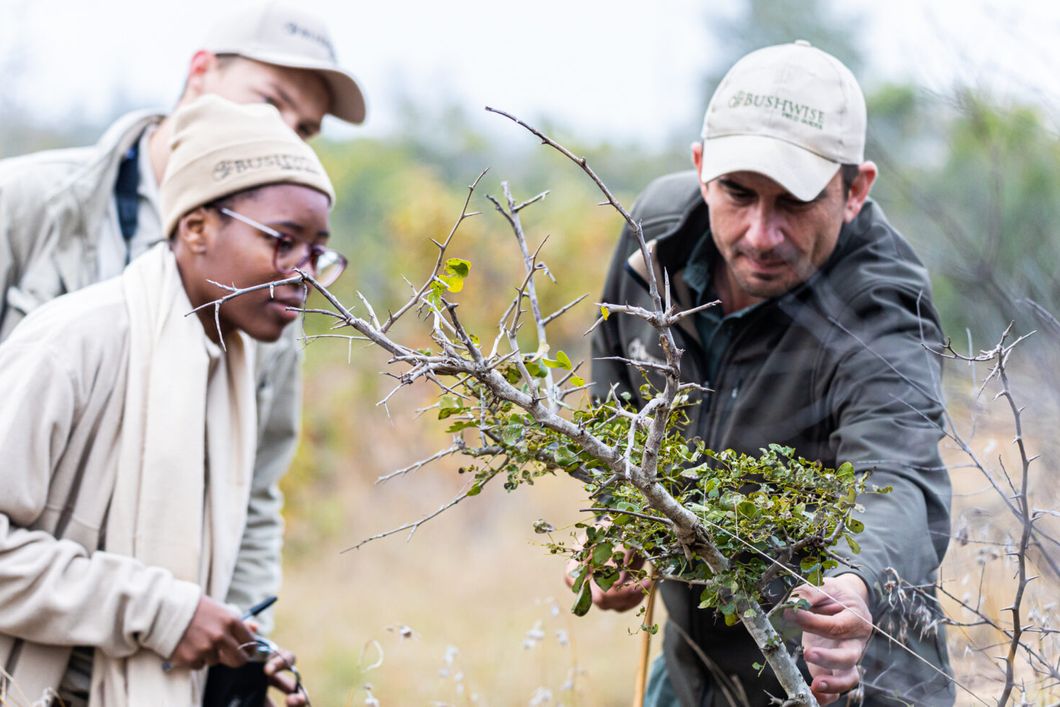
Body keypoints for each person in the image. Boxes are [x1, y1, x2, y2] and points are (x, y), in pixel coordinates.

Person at [583, 42, 953, 706]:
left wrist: (854, 584)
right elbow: (612, 399)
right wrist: (624, 521)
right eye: (739, 193)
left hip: (843, 677)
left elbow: (898, 477)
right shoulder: (656, 241)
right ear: (701, 169)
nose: (759, 233)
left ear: (855, 191)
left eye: (793, 202)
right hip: (696, 667)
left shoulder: (880, 307)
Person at [0, 0, 365, 645]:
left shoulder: (269, 292)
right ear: (200, 72)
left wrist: (245, 646)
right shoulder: (30, 205)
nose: (283, 134)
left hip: (147, 657)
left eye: (305, 130)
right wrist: (152, 609)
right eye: (269, 105)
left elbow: (254, 497)